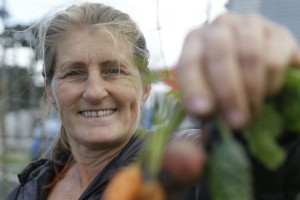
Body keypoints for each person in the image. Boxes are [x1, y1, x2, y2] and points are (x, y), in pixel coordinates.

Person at [5, 2, 300, 200]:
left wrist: (273, 104)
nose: (95, 92)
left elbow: (265, 176)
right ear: (50, 92)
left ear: (145, 88)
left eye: (114, 71)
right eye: (74, 73)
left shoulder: (179, 172)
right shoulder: (29, 188)